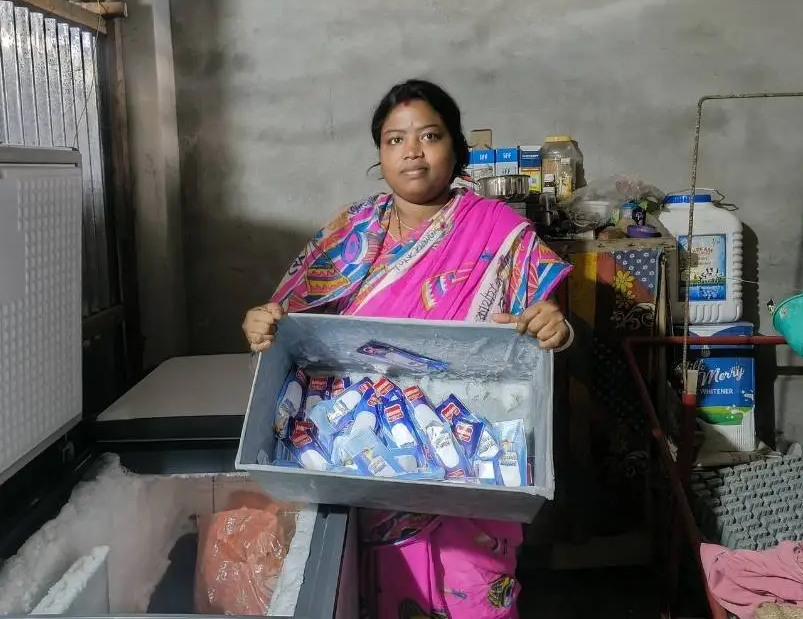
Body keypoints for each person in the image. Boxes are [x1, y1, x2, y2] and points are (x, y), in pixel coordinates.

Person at [242, 79, 574, 619]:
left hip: (470, 453)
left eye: (429, 135)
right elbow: (289, 324)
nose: (412, 151)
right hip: (364, 450)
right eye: (395, 140)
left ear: (455, 147)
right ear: (380, 153)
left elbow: (549, 323)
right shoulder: (350, 231)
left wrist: (554, 324)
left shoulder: (500, 230)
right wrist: (261, 322)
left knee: (475, 594)